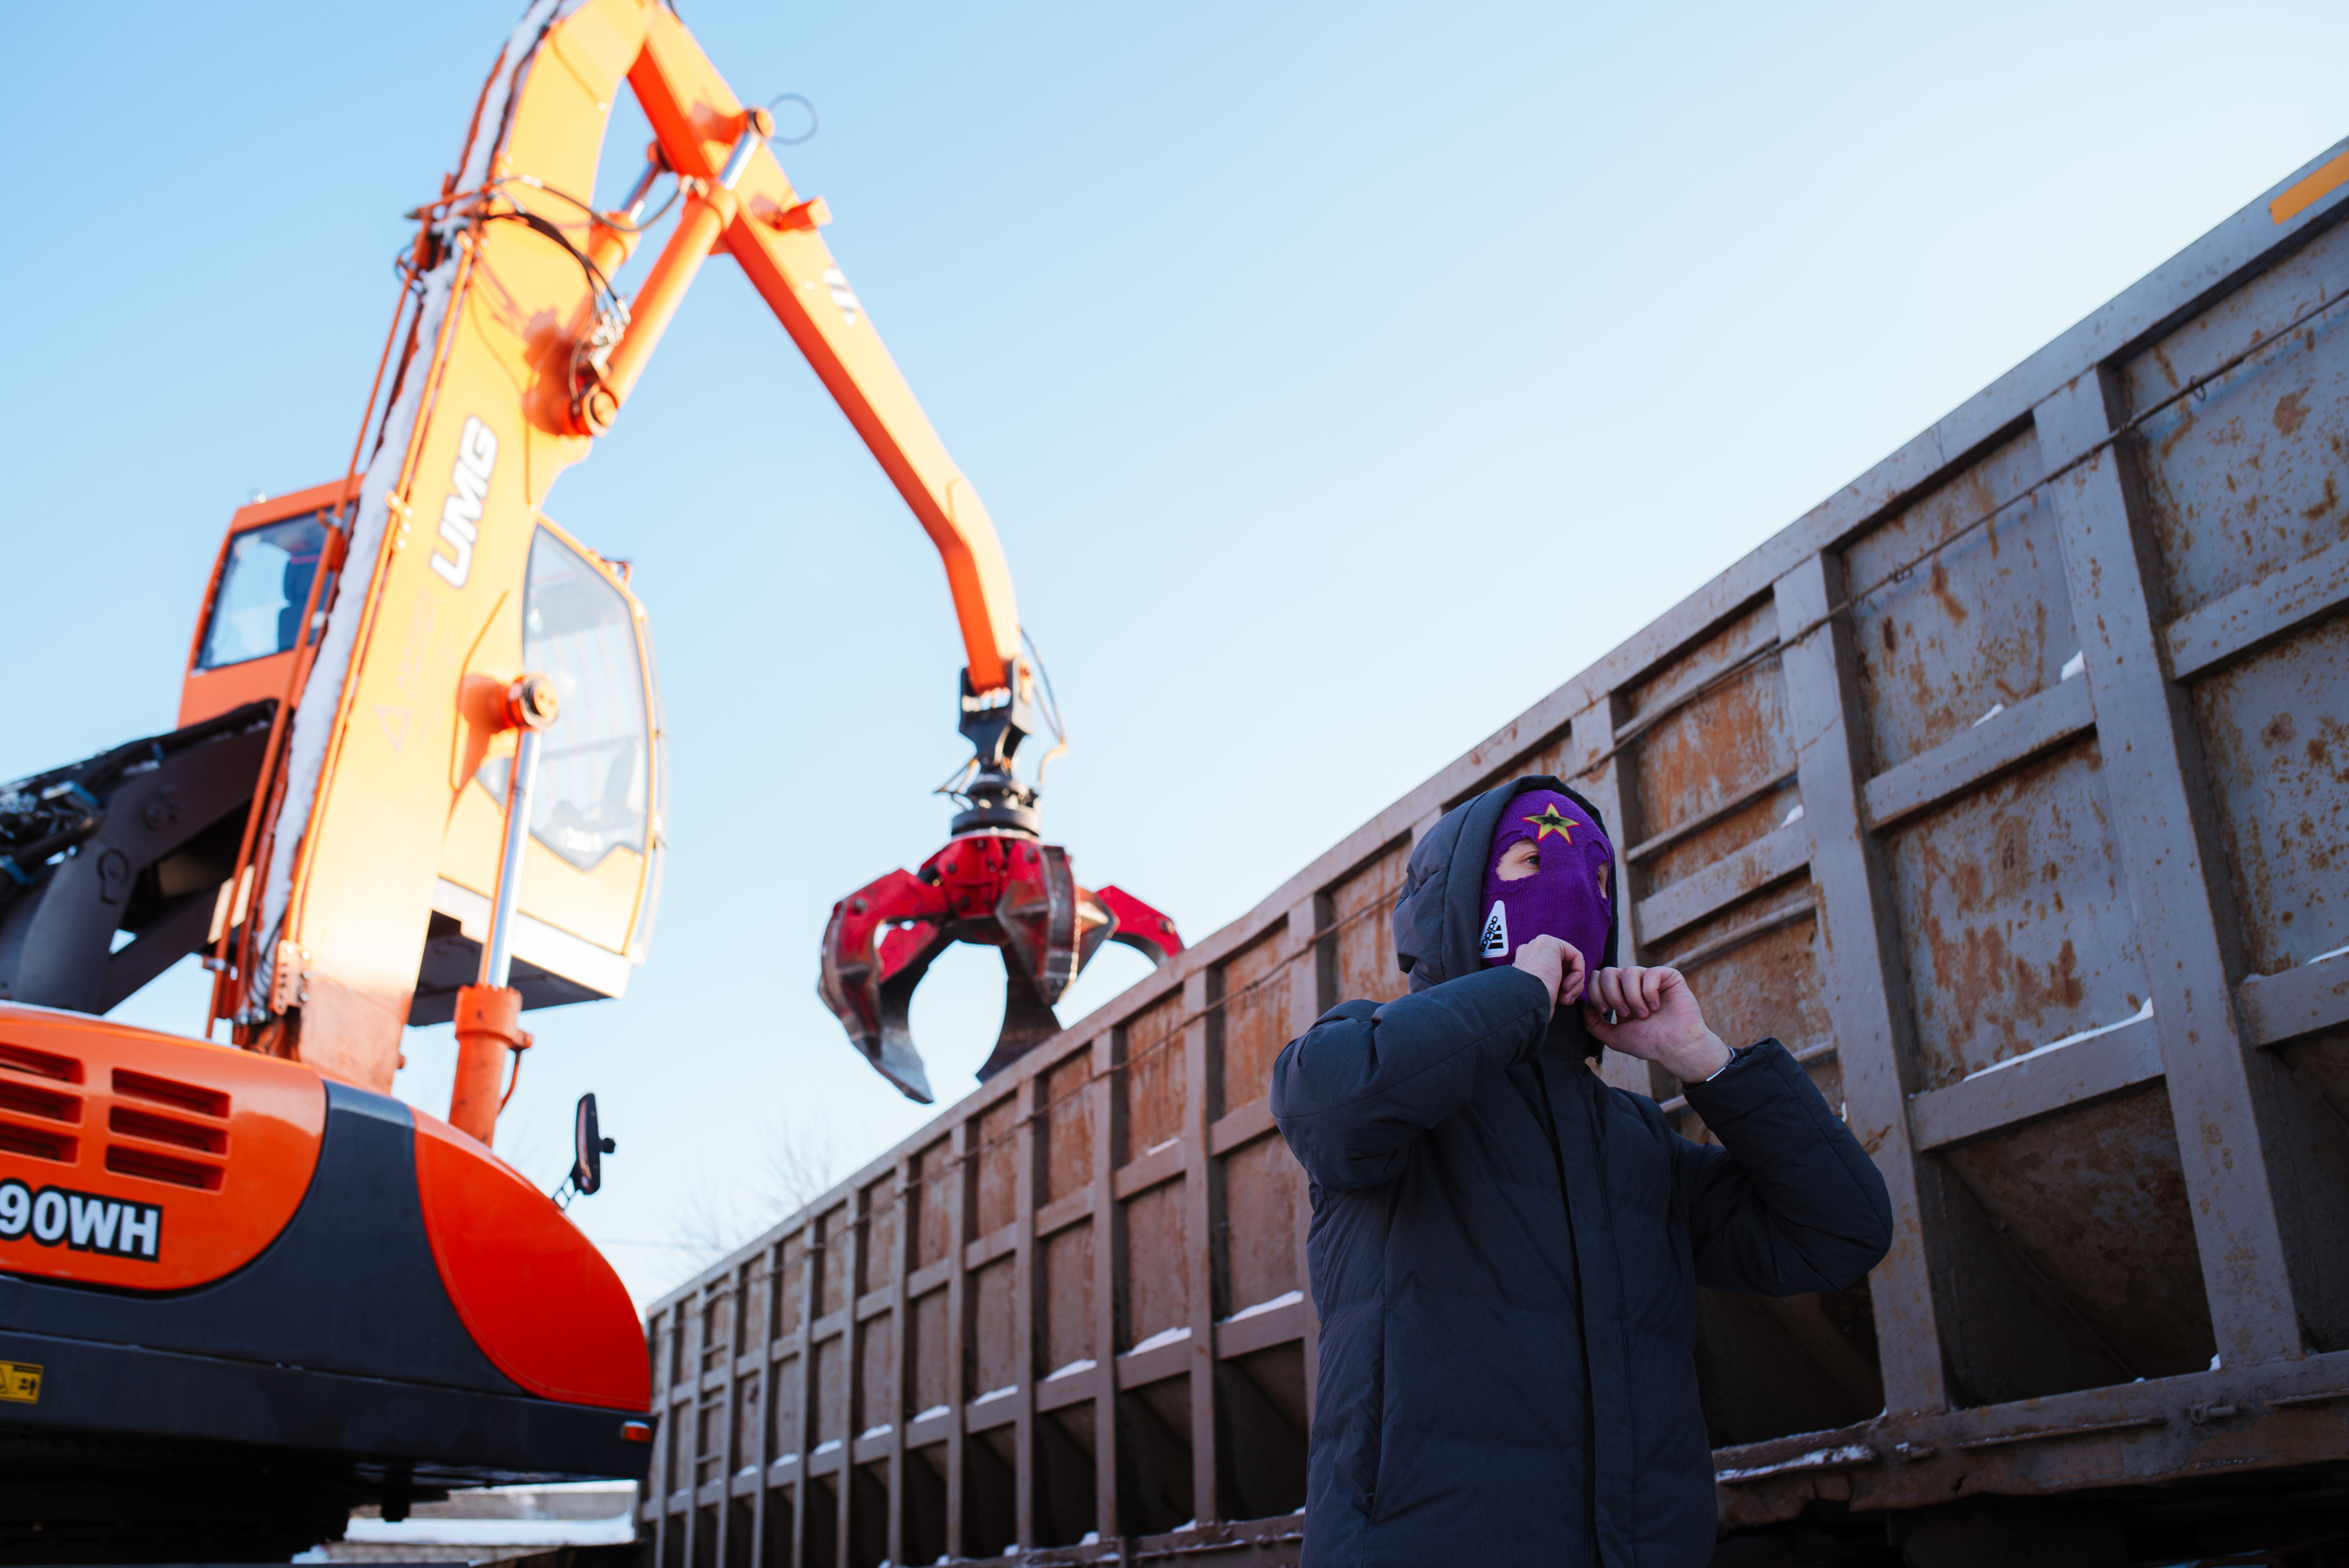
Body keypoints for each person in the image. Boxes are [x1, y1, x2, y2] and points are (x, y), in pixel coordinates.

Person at [1271, 775, 1893, 1568]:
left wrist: (1700, 1057)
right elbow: (1332, 1109)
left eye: (1598, 877)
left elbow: (1844, 1231)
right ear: (1460, 900)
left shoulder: (1635, 1142)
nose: (1571, 889)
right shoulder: (1369, 1059)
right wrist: (1517, 991)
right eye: (1529, 860)